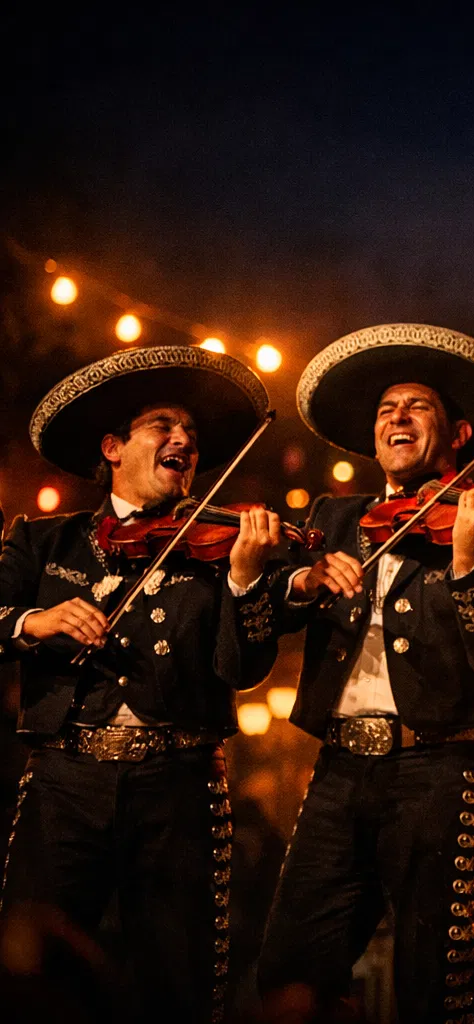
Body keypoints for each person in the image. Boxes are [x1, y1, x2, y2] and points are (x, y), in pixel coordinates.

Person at [256, 323, 474, 1022]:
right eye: (387, 409)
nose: (397, 417)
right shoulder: (337, 516)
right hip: (338, 770)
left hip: (442, 769)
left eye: (418, 407)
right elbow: (263, 613)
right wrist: (301, 580)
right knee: (289, 973)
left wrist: (472, 563)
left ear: (459, 434)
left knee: (437, 986)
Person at [0, 346, 285, 1022]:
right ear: (113, 447)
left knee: (179, 980)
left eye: (189, 430)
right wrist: (36, 622)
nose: (183, 439)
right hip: (65, 783)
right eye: (163, 424)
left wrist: (246, 579)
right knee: (31, 971)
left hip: (179, 784)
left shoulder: (217, 550)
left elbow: (246, 669)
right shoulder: (44, 542)